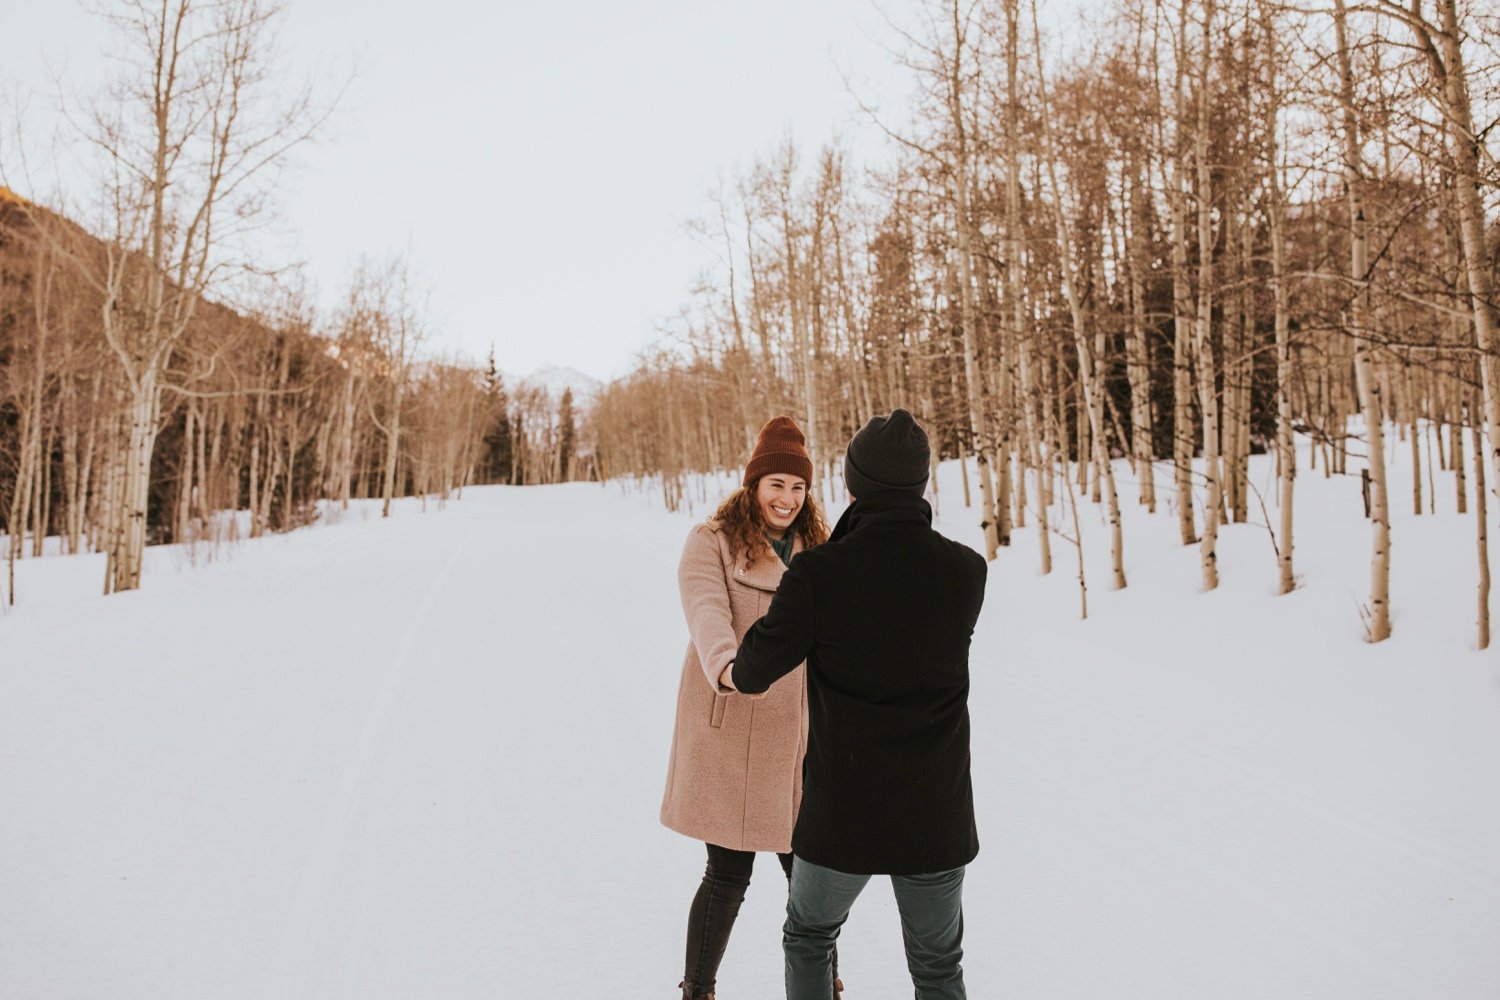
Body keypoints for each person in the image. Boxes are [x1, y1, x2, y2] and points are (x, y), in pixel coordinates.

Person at [722, 408, 987, 1000]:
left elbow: (755, 669)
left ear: (853, 485)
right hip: (935, 814)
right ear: (920, 483)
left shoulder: (819, 573)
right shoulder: (966, 571)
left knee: (810, 935)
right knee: (939, 967)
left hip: (845, 813)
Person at [661, 415, 836, 1000]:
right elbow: (706, 610)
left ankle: (821, 986)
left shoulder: (823, 549)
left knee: (808, 880)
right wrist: (730, 669)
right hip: (731, 724)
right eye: (776, 484)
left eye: (798, 487)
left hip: (799, 739)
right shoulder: (711, 540)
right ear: (753, 484)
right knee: (729, 874)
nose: (787, 499)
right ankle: (698, 990)